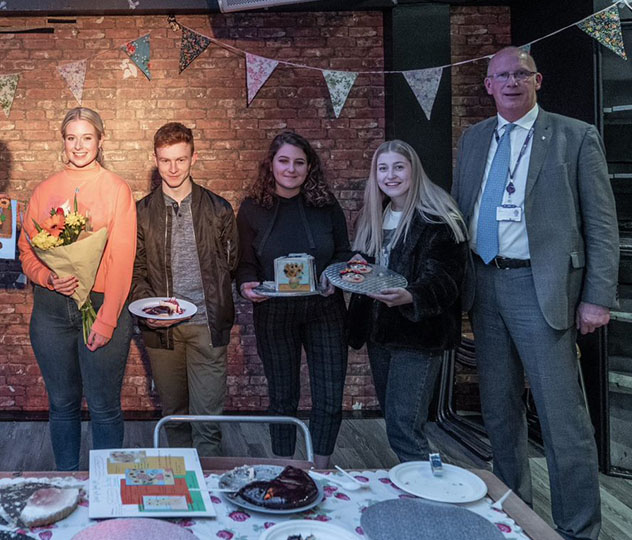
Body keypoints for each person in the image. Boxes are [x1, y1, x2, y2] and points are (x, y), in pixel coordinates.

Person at [453, 47, 618, 540]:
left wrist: (597, 297)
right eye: (500, 75)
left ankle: (578, 528)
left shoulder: (574, 136)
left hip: (540, 289)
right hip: (484, 284)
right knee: (499, 411)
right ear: (487, 85)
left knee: (562, 418)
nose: (510, 82)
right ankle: (512, 513)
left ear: (538, 80)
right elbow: (464, 211)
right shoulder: (475, 138)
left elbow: (602, 226)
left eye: (520, 73)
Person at [18, 107, 137, 471]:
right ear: (63, 141)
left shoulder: (117, 189)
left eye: (87, 137)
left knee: (103, 406)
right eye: (72, 138)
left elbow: (122, 260)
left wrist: (106, 320)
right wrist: (47, 277)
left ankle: (108, 488)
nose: (79, 145)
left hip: (100, 307)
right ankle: (66, 482)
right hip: (52, 310)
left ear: (100, 141)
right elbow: (27, 251)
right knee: (63, 404)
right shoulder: (44, 190)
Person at [236, 131, 351, 469]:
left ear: (309, 167)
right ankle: (284, 470)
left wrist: (332, 276)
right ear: (270, 165)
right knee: (283, 396)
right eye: (283, 161)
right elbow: (243, 263)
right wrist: (245, 285)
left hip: (325, 310)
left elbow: (343, 253)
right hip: (274, 312)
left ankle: (322, 468)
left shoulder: (326, 205)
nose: (291, 168)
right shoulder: (252, 209)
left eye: (299, 162)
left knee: (329, 396)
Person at [347, 140, 467, 463]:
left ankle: (431, 499)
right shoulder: (375, 216)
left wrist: (411, 296)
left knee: (404, 427)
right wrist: (346, 276)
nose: (391, 175)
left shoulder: (438, 217)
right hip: (381, 334)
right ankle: (420, 487)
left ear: (414, 171)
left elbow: (445, 280)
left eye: (398, 167)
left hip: (419, 334)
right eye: (382, 168)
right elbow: (365, 269)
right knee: (397, 422)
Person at [130, 122, 238, 457]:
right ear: (156, 160)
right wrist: (149, 311)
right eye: (165, 160)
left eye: (180, 159)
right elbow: (135, 271)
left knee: (207, 420)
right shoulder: (141, 213)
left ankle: (210, 499)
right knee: (174, 416)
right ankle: (182, 492)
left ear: (193, 157)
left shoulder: (219, 209)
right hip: (162, 330)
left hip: (206, 326)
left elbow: (231, 264)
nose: (173, 168)